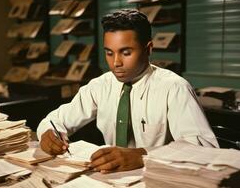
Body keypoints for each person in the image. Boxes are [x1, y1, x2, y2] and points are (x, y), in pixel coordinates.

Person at [37, 9, 218, 173]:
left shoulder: (174, 88)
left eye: (125, 53)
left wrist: (143, 155)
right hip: (110, 179)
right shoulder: (100, 86)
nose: (116, 63)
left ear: (148, 49)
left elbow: (204, 148)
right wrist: (49, 134)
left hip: (159, 179)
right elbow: (55, 120)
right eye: (109, 53)